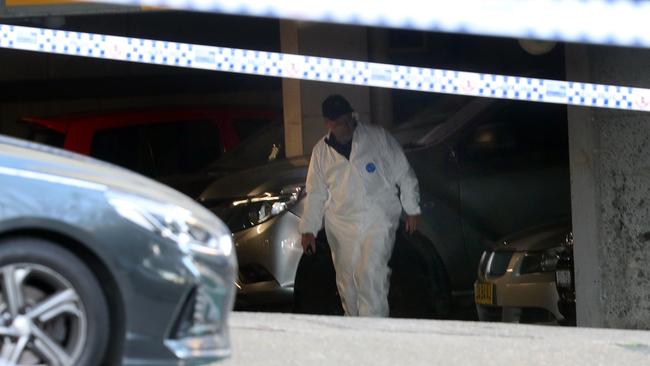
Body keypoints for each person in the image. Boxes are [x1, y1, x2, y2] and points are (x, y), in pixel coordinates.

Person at [298, 94, 421, 317]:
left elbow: (403, 172)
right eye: (336, 123)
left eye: (345, 121)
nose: (342, 128)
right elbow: (315, 193)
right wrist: (309, 229)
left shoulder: (377, 138)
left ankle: (372, 334)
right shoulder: (321, 152)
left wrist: (412, 209)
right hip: (341, 224)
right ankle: (354, 328)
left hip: (377, 216)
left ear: (352, 116)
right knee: (348, 282)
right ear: (328, 123)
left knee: (370, 274)